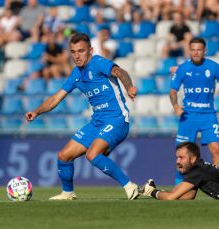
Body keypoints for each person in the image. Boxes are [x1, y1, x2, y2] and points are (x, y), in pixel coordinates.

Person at [25, 33, 139, 200]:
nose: (76, 56)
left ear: (90, 50)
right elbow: (57, 97)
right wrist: (37, 111)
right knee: (63, 156)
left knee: (92, 154)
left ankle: (130, 186)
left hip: (117, 119)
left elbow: (120, 72)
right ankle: (68, 193)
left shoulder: (98, 62)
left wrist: (129, 87)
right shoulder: (76, 74)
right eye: (73, 51)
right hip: (97, 122)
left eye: (81, 51)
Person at [170, 37, 219, 184]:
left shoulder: (214, 67)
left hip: (208, 116)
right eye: (193, 50)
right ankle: (179, 186)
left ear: (205, 51)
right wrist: (176, 106)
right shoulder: (183, 68)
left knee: (216, 150)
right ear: (189, 51)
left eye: (199, 50)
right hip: (188, 116)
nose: (196, 53)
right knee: (182, 154)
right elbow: (173, 91)